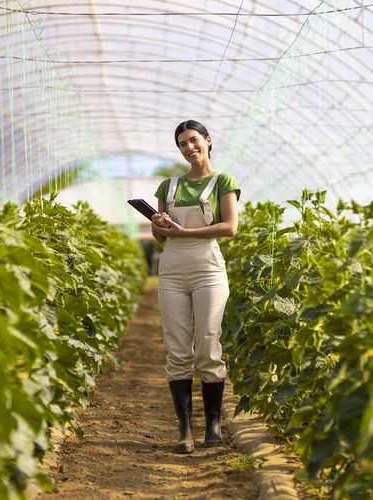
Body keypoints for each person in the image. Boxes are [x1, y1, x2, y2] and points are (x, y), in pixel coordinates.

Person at [151, 120, 240, 454]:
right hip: (172, 269)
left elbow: (230, 227)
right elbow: (161, 237)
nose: (189, 148)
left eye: (193, 140)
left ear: (207, 141)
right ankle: (185, 430)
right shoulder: (168, 186)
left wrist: (187, 233)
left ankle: (213, 425)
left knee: (206, 343)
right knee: (177, 348)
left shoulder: (223, 181)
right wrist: (158, 224)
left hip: (208, 268)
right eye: (182, 144)